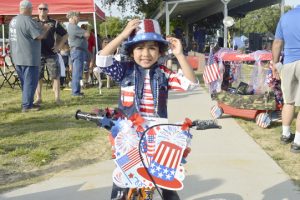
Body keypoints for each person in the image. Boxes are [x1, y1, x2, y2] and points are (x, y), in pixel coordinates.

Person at [95, 18, 198, 200]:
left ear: (159, 52)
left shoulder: (164, 74)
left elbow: (190, 83)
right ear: (131, 51)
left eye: (152, 48)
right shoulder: (125, 70)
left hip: (158, 134)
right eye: (139, 48)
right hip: (129, 135)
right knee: (123, 175)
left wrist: (180, 55)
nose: (146, 54)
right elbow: (102, 60)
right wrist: (124, 35)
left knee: (165, 178)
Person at [9, 0, 51, 112]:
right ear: (28, 9)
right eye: (32, 8)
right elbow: (39, 36)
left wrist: (39, 27)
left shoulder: (14, 20)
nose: (33, 10)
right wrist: (46, 29)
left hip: (17, 57)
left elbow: (26, 33)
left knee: (25, 82)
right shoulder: (28, 20)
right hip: (29, 58)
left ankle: (27, 102)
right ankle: (27, 106)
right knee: (30, 82)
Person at [272, 5, 300, 153]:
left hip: (288, 63)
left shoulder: (286, 17)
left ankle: (285, 134)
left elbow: (277, 43)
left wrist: (275, 64)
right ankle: (297, 143)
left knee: (289, 102)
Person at [34, 3, 68, 105]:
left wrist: (59, 46)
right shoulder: (33, 22)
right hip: (37, 53)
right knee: (38, 77)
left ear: (48, 11)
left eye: (45, 9)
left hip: (51, 54)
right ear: (37, 10)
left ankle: (57, 98)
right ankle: (38, 98)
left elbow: (65, 34)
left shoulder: (54, 22)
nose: (42, 10)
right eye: (40, 8)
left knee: (55, 76)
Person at [67, 11, 89, 97]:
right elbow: (87, 34)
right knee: (77, 72)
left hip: (77, 51)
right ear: (72, 18)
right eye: (77, 17)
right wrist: (85, 30)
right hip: (78, 51)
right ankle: (75, 92)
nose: (79, 18)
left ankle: (77, 91)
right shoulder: (74, 27)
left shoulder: (72, 27)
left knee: (77, 72)